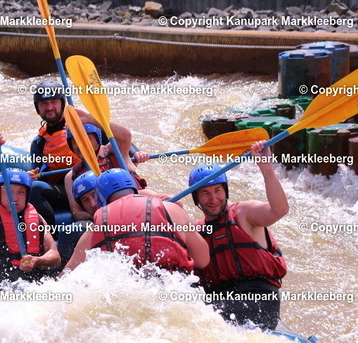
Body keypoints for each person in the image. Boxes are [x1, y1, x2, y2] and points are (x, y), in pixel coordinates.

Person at [189, 141, 289, 330]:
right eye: (205, 193)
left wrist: (266, 169)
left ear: (225, 191)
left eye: (217, 190)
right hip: (219, 301)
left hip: (258, 299)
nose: (213, 199)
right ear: (196, 198)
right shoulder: (196, 232)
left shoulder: (244, 213)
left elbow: (279, 210)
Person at [63, 168, 209, 274]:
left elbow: (67, 274)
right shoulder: (171, 209)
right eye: (85, 200)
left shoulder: (97, 227)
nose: (92, 203)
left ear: (101, 197)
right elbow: (202, 261)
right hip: (172, 288)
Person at [0, 134, 61, 287]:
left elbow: (55, 256)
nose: (14, 198)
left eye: (21, 192)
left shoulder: (37, 218)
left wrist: (37, 261)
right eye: (9, 191)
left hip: (35, 290)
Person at [63, 119, 171, 221]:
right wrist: (99, 216)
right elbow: (77, 212)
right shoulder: (71, 176)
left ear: (97, 139)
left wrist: (91, 119)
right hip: (103, 217)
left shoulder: (113, 150)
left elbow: (124, 136)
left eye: (87, 138)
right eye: (76, 141)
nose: (81, 144)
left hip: (133, 203)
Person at [27, 80, 81, 225]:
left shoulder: (82, 126)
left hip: (90, 182)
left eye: (54, 102)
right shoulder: (39, 143)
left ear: (62, 103)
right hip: (64, 190)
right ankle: (49, 236)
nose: (49, 107)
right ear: (37, 107)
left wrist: (134, 152)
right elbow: (38, 173)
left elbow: (115, 141)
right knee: (35, 188)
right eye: (44, 103)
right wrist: (32, 176)